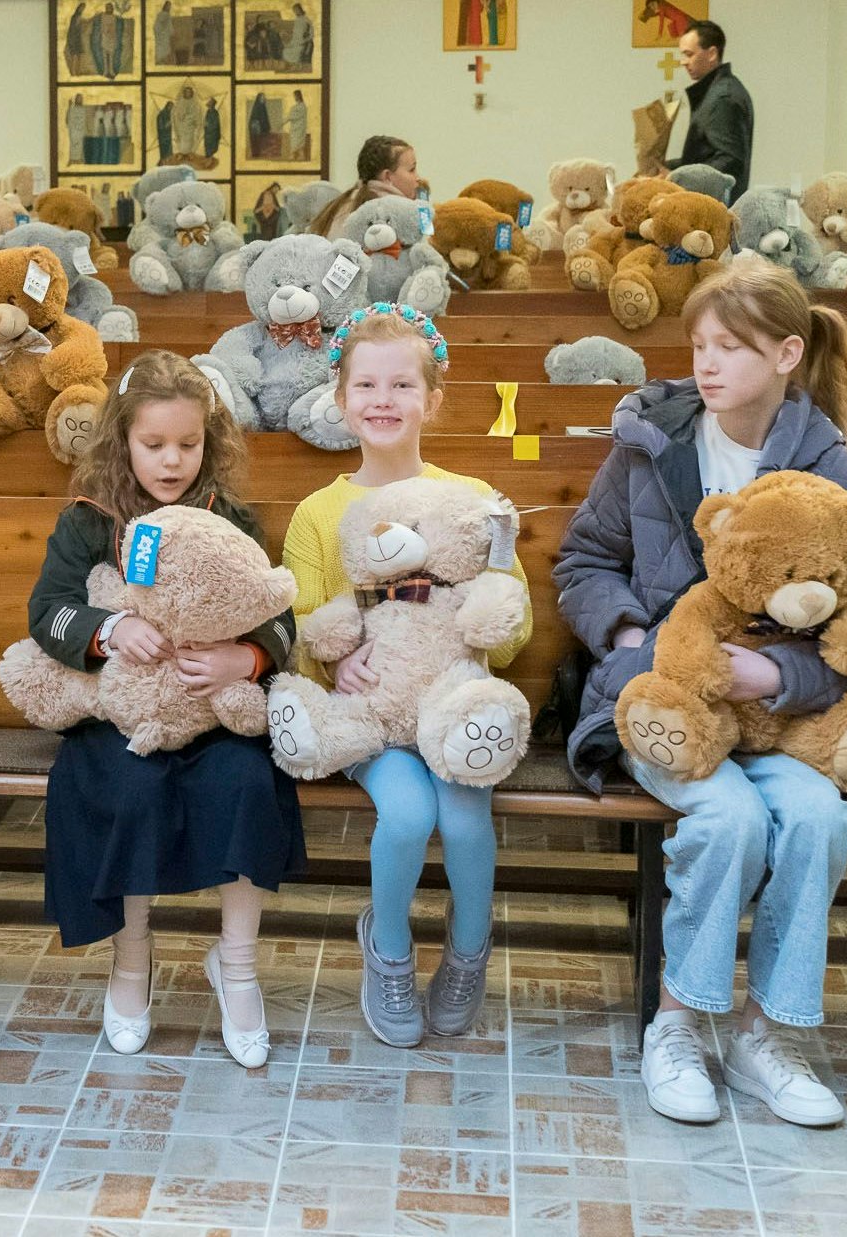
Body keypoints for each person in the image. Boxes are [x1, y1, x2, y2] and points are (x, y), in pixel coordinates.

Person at [555, 262, 847, 1130]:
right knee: (727, 820)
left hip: (787, 724)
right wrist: (635, 642)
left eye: (730, 346)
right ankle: (680, 1023)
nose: (707, 362)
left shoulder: (840, 473)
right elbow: (583, 563)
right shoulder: (648, 443)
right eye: (699, 344)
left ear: (787, 354)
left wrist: (781, 675)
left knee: (819, 818)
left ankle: (770, 1037)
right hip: (670, 708)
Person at [28, 350, 302, 1068]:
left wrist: (243, 659)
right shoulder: (89, 520)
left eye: (189, 444)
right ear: (123, 439)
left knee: (246, 783)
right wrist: (110, 629)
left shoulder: (229, 516)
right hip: (120, 716)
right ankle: (131, 959)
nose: (172, 460)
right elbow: (47, 612)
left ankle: (236, 967)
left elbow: (275, 611)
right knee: (128, 789)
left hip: (212, 712)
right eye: (154, 445)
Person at [280, 309, 531, 1049]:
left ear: (432, 397)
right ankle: (388, 949)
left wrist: (476, 629)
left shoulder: (471, 496)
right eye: (366, 383)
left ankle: (467, 950)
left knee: (462, 817)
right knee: (410, 812)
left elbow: (513, 628)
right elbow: (297, 623)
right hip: (371, 712)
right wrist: (334, 657)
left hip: (454, 707)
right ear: (341, 396)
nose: (382, 398)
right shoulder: (319, 511)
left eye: (401, 383)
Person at [667, 20, 754, 193]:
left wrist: (677, 177)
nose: (683, 62)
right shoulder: (715, 92)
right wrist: (668, 168)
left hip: (714, 210)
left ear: (712, 54)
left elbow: (729, 161)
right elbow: (703, 157)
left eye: (689, 54)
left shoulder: (723, 98)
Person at [311, 135, 419, 238]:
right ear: (387, 177)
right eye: (411, 170)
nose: (417, 177)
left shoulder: (346, 202)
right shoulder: (390, 215)